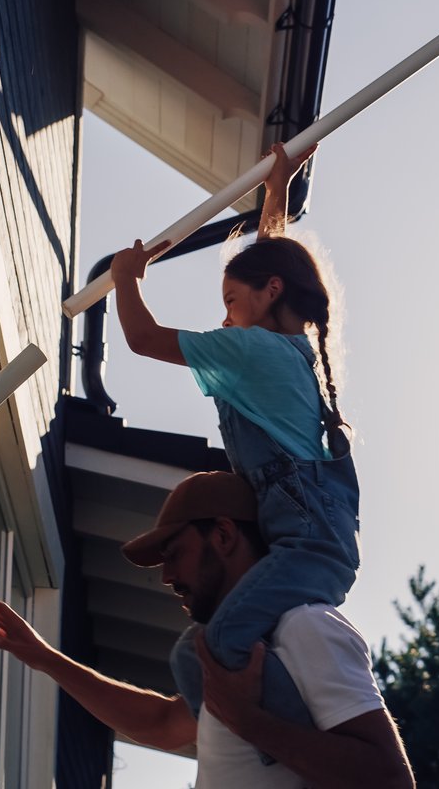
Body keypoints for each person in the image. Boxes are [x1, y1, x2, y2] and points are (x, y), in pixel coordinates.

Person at [107, 143, 360, 738]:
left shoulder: (250, 352)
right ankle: (278, 735)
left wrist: (123, 279)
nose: (223, 317)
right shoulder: (290, 351)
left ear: (271, 291)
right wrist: (276, 194)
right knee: (212, 653)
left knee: (211, 649)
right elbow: (265, 272)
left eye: (229, 302)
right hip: (313, 541)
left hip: (305, 547)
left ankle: (306, 754)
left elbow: (142, 338)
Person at [0, 472, 413, 788]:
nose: (165, 577)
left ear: (223, 535)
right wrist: (43, 656)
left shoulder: (305, 626)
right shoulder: (239, 653)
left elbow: (391, 780)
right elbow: (160, 722)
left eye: (174, 553)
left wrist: (250, 722)